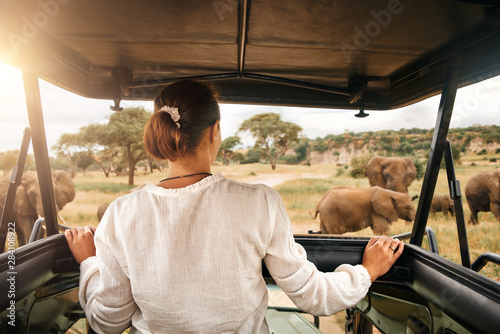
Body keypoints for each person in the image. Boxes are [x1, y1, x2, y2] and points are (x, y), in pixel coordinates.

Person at [65, 80, 404, 334]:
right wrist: (367, 271)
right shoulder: (260, 201)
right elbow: (313, 296)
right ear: (215, 132)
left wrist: (90, 262)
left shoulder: (121, 213)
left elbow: (107, 321)